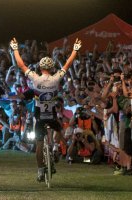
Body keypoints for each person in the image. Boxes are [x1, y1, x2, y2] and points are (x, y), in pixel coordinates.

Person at [10, 37, 82, 182]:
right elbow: (67, 64)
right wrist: (74, 50)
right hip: (52, 116)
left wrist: (15, 49)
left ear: (41, 68)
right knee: (59, 129)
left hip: (40, 117)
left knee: (39, 144)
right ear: (52, 68)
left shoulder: (35, 79)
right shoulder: (56, 79)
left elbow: (21, 65)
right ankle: (56, 148)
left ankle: (40, 170)